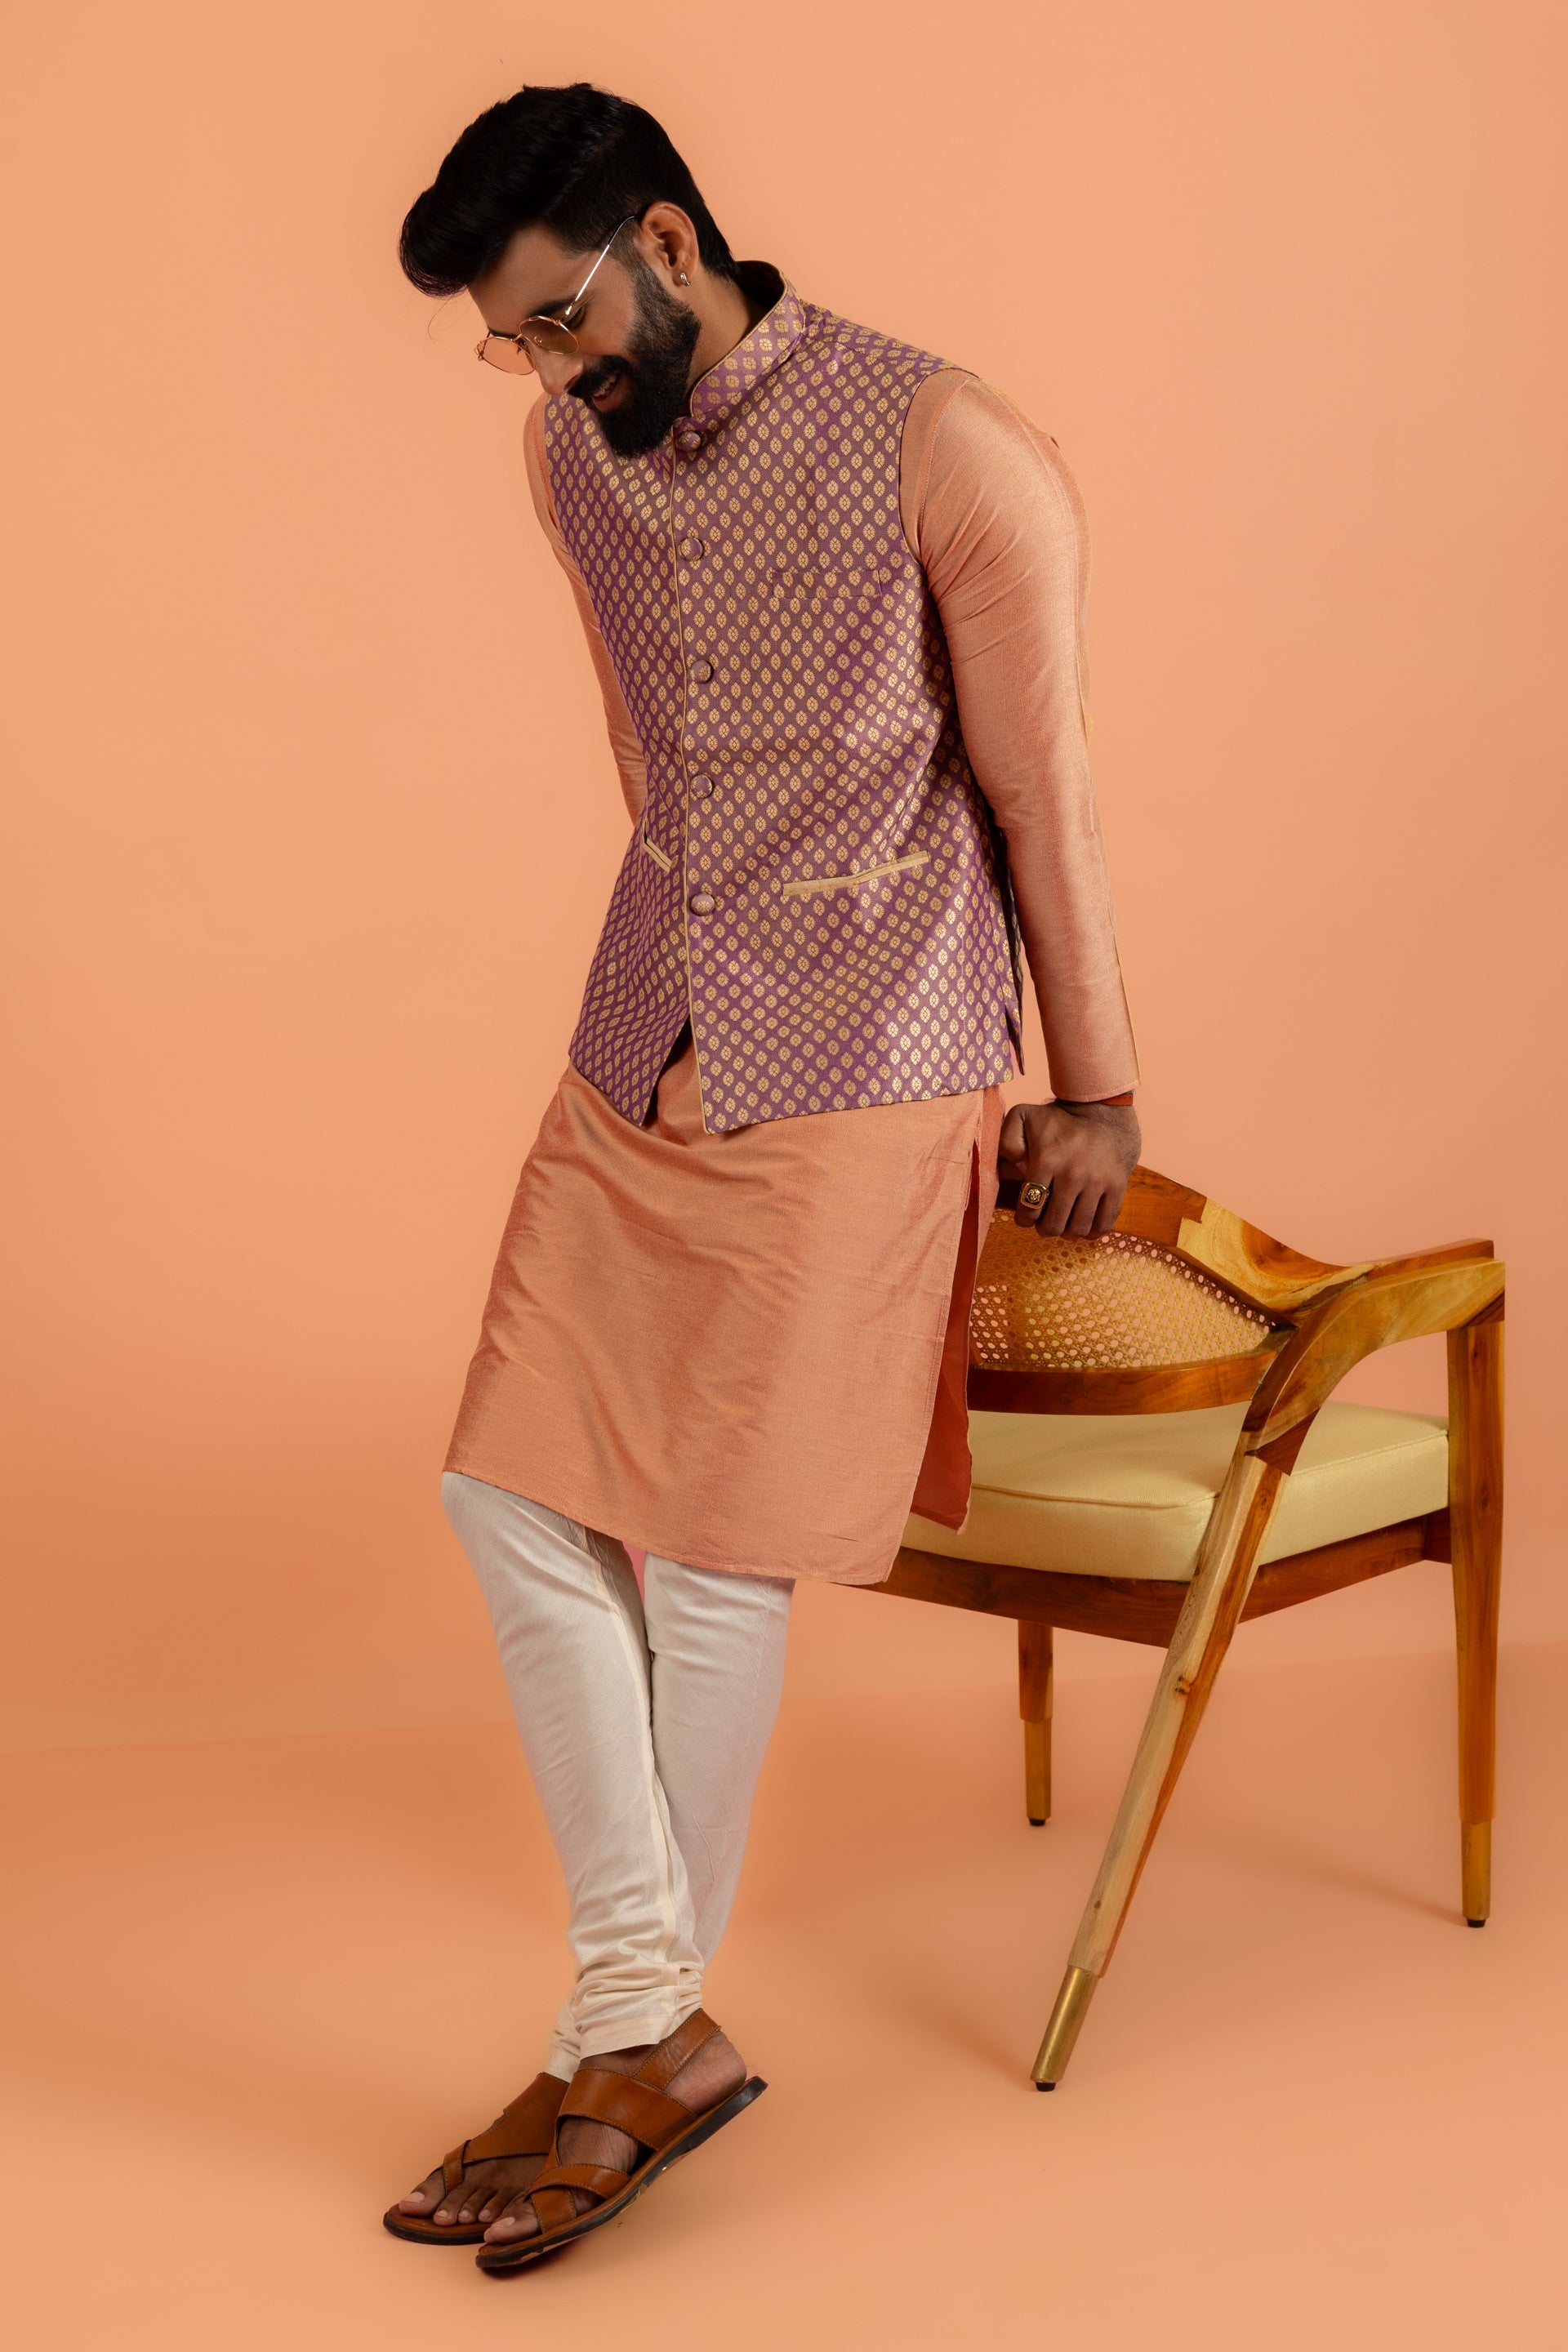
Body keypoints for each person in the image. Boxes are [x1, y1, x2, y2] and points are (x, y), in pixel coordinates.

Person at [386, 82, 1141, 2273]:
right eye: (511, 346)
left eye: (557, 323)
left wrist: (1095, 1083)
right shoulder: (574, 460)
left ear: (665, 241)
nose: (545, 375)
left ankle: (622, 2034)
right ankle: (644, 2027)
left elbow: (1040, 784)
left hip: (879, 1049)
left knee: (718, 1557)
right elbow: (652, 753)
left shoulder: (948, 445)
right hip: (648, 1027)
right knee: (508, 1489)